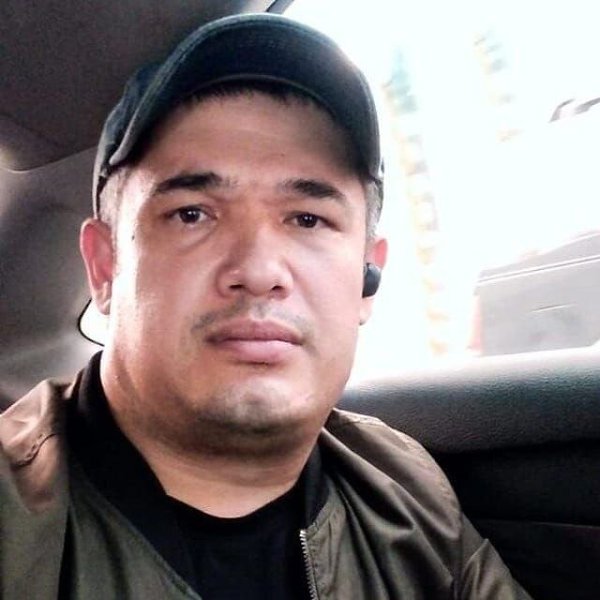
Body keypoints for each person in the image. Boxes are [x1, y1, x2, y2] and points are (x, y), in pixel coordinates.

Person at [0, 13, 532, 600]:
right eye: (192, 215)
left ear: (366, 277)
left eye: (307, 219)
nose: (258, 271)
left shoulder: (408, 492)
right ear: (105, 267)